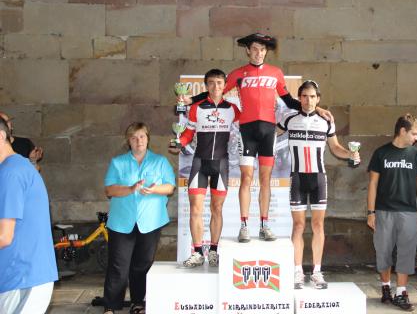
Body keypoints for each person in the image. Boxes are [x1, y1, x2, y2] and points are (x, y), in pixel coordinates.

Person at [185, 33, 332, 243]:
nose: (258, 53)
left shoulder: (276, 73)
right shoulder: (238, 74)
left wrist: (317, 109)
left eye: (262, 49)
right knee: (246, 178)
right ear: (247, 50)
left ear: (266, 52)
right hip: (247, 131)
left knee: (265, 179)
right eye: (254, 49)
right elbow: (215, 94)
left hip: (268, 132)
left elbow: (290, 101)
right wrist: (190, 100)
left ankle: (264, 225)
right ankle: (244, 226)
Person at [277, 80, 359, 290]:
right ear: (299, 98)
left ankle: (316, 272)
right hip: (297, 178)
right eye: (304, 96)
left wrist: (351, 154)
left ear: (318, 98)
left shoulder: (326, 121)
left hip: (318, 179)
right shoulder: (289, 118)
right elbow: (270, 133)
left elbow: (336, 147)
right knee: (298, 225)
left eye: (312, 96)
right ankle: (297, 271)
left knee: (318, 225)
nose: (308, 100)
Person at [103, 122, 176, 314]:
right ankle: (111, 306)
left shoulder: (160, 161)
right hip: (121, 222)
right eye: (134, 138)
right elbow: (109, 190)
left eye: (142, 136)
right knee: (118, 265)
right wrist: (130, 189)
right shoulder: (117, 162)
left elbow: (170, 187)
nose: (138, 141)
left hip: (151, 221)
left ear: (148, 138)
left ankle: (138, 303)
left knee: (142, 265)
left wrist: (154, 189)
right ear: (129, 141)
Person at [170, 69, 240, 268]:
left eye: (219, 83)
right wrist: (178, 143)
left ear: (225, 85)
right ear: (206, 85)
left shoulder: (233, 109)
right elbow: (188, 133)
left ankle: (214, 251)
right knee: (195, 209)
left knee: (217, 208)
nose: (215, 86)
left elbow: (248, 127)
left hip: (221, 164)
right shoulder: (196, 108)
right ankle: (198, 252)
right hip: (200, 163)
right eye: (211, 83)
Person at [367, 114, 417, 311]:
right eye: (414, 134)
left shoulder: (416, 155)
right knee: (383, 251)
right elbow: (373, 183)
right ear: (402, 131)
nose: (416, 138)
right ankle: (386, 287)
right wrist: (371, 212)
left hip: (408, 211)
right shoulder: (381, 153)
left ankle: (401, 292)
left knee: (406, 253)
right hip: (384, 211)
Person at [0, 116, 57, 314]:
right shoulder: (16, 167)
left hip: (23, 276)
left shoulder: (10, 173)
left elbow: (4, 236)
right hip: (20, 276)